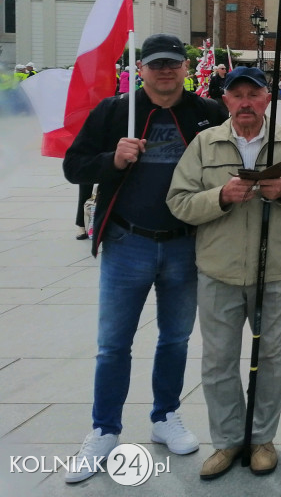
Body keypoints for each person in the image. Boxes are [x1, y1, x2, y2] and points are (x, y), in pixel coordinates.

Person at [61, 34, 227, 483]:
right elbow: (73, 165)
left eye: (173, 63)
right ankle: (104, 429)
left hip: (185, 243)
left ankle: (164, 416)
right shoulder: (115, 112)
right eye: (156, 64)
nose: (166, 71)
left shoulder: (206, 113)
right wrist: (112, 160)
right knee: (114, 343)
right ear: (142, 69)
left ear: (183, 68)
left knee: (175, 339)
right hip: (127, 242)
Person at [167, 67, 281, 479]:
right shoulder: (205, 143)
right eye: (236, 95)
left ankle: (261, 438)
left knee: (273, 357)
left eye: (253, 95)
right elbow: (179, 201)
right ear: (225, 102)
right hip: (218, 269)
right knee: (218, 360)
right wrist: (219, 196)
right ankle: (226, 441)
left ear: (267, 99)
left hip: (275, 269)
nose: (245, 103)